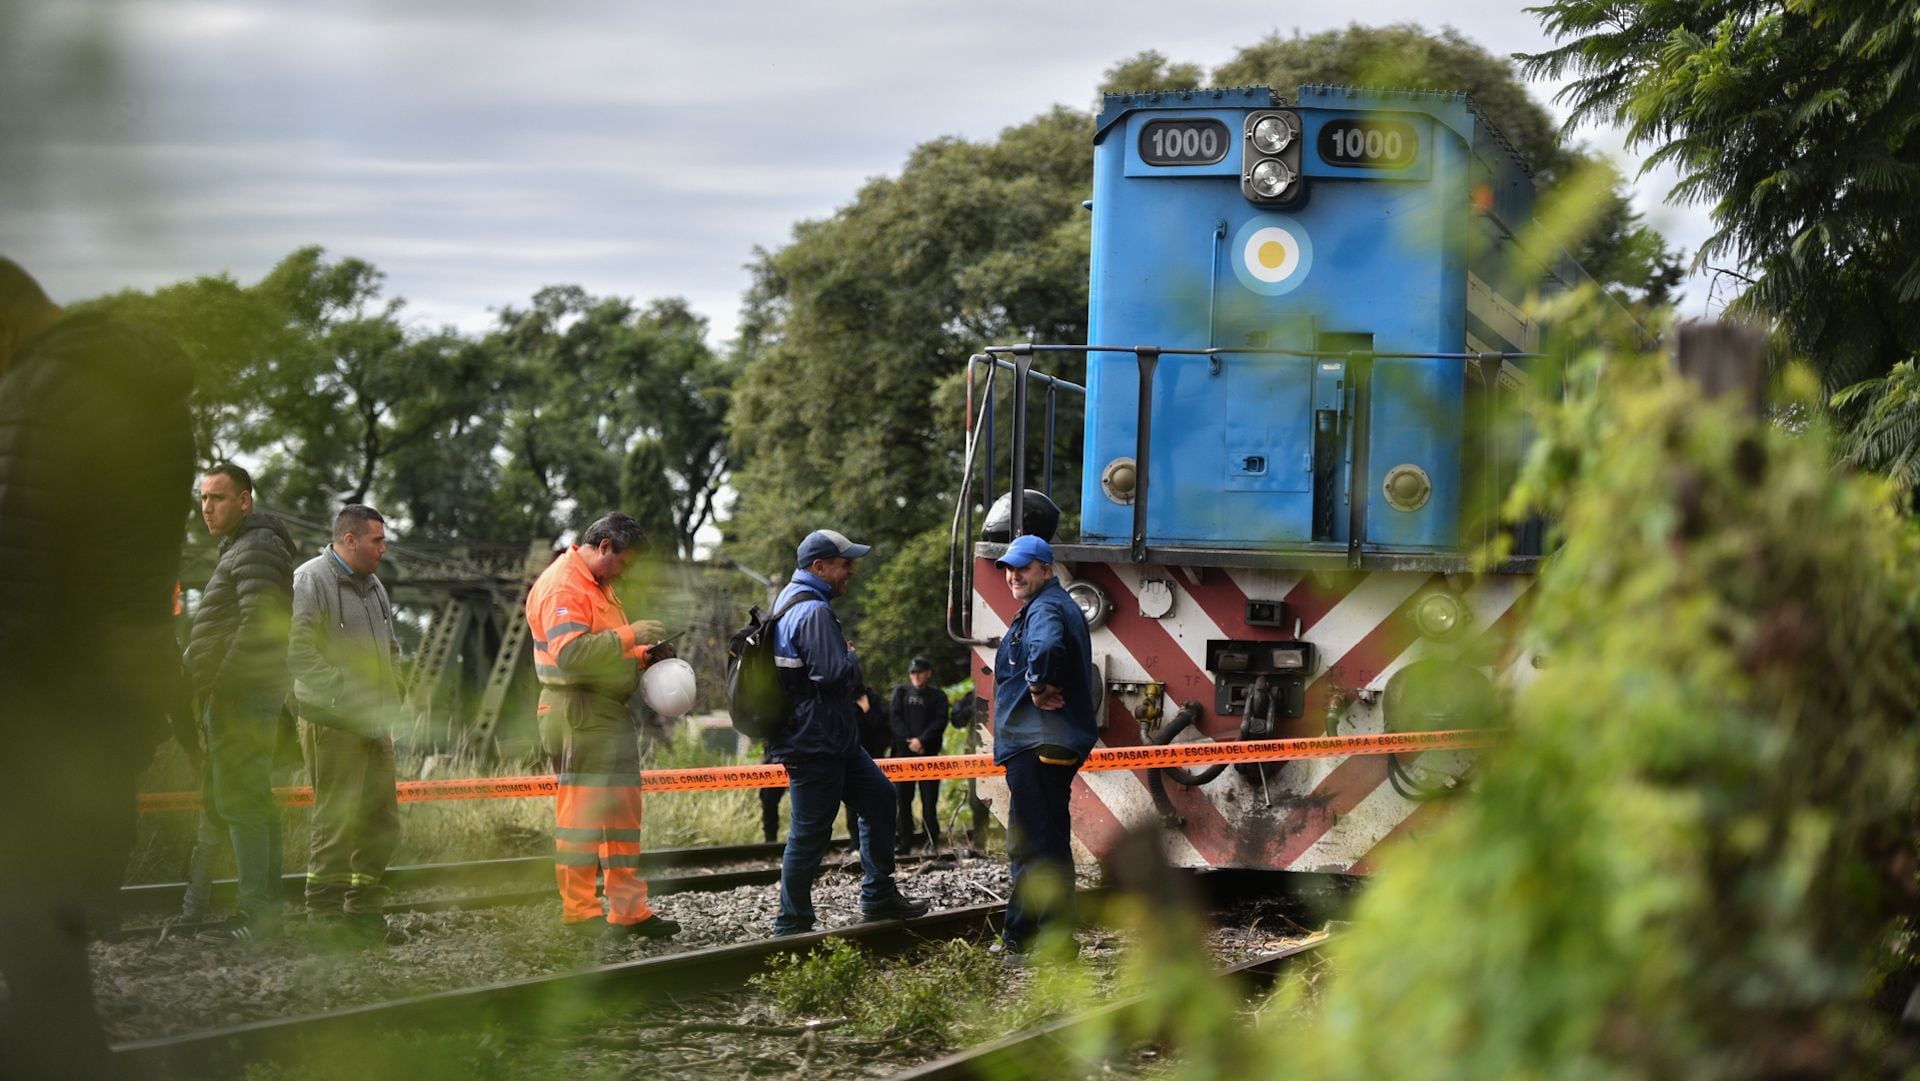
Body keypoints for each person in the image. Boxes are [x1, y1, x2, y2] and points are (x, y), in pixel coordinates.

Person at [0, 257, 194, 1078]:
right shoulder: (148, 396)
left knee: (36, 953)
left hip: (37, 711)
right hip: (109, 703)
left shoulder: (37, 395)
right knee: (49, 952)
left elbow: (17, 573)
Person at [525, 512, 680, 943]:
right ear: (606, 547)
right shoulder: (564, 585)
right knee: (582, 818)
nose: (625, 573)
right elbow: (572, 655)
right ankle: (581, 914)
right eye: (625, 563)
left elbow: (603, 651)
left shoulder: (599, 586)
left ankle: (629, 912)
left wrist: (644, 655)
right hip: (577, 712)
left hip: (606, 712)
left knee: (622, 816)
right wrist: (632, 636)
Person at [768, 529, 930, 935]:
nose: (851, 571)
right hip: (815, 740)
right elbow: (833, 674)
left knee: (879, 797)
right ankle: (791, 925)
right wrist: (849, 655)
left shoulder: (791, 600)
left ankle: (878, 895)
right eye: (844, 564)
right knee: (810, 832)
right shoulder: (813, 611)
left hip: (833, 737)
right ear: (819, 567)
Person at [185, 462, 299, 942]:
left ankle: (255, 916)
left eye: (218, 498)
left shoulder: (256, 547)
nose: (208, 507)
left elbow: (257, 625)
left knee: (242, 804)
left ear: (246, 500)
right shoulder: (244, 547)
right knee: (253, 802)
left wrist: (223, 687)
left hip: (242, 696)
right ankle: (265, 914)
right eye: (204, 499)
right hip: (245, 693)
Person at [288, 504, 407, 946]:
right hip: (333, 720)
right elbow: (297, 652)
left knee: (381, 821)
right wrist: (342, 691)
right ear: (350, 540)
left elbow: (391, 646)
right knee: (336, 820)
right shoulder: (310, 579)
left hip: (376, 722)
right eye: (377, 540)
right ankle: (323, 919)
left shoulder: (374, 586)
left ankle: (362, 913)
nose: (384, 548)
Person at [990, 535, 1098, 960]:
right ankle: (1023, 936)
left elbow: (1048, 645)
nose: (1014, 575)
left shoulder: (1048, 607)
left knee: (1041, 844)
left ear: (1046, 569)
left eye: (1024, 567)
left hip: (1040, 742)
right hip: (1034, 742)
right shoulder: (1041, 606)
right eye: (1009, 568)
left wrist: (1037, 685)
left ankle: (1050, 940)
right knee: (1030, 842)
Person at [890, 657, 948, 853]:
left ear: (929, 673)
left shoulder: (938, 695)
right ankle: (904, 841)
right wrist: (910, 741)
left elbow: (940, 721)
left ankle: (931, 841)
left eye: (920, 672)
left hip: (929, 755)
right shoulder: (901, 692)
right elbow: (895, 719)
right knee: (903, 800)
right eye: (913, 673)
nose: (916, 676)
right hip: (903, 756)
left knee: (929, 801)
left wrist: (922, 741)